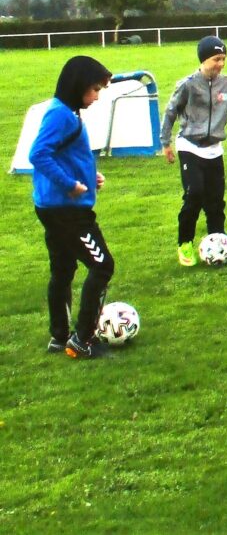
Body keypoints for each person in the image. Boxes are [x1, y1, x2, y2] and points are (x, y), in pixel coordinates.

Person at [29, 56, 116, 359]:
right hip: (67, 211)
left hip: (54, 206)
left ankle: (59, 337)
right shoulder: (61, 115)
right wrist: (69, 183)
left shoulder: (65, 112)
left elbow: (63, 153)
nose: (96, 96)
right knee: (103, 265)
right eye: (94, 89)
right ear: (78, 86)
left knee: (64, 269)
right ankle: (83, 340)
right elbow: (38, 154)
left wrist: (89, 176)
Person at [160, 35, 227, 267]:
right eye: (216, 58)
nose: (221, 64)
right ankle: (185, 243)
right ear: (204, 58)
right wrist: (165, 142)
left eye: (224, 59)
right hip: (190, 146)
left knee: (216, 201)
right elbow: (170, 111)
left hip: (214, 150)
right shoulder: (187, 84)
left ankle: (219, 245)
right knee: (194, 193)